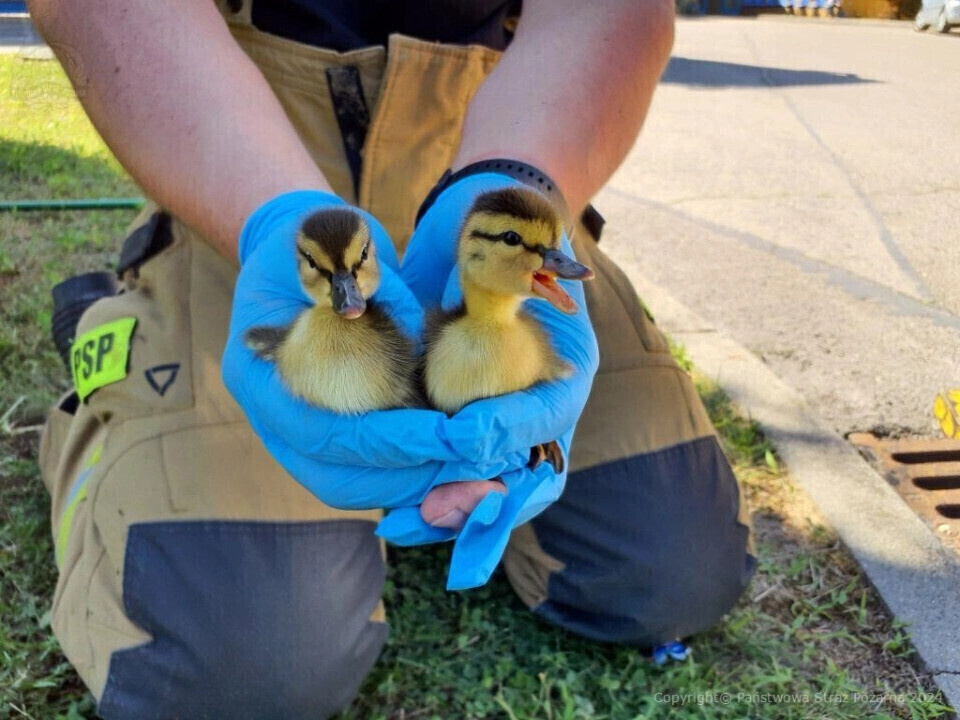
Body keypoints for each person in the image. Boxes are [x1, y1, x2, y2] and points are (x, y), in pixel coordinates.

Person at [30, 1, 755, 717]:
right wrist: (271, 218)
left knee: (673, 573)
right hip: (238, 161)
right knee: (242, 670)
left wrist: (510, 178)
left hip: (507, 136)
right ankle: (108, 391)